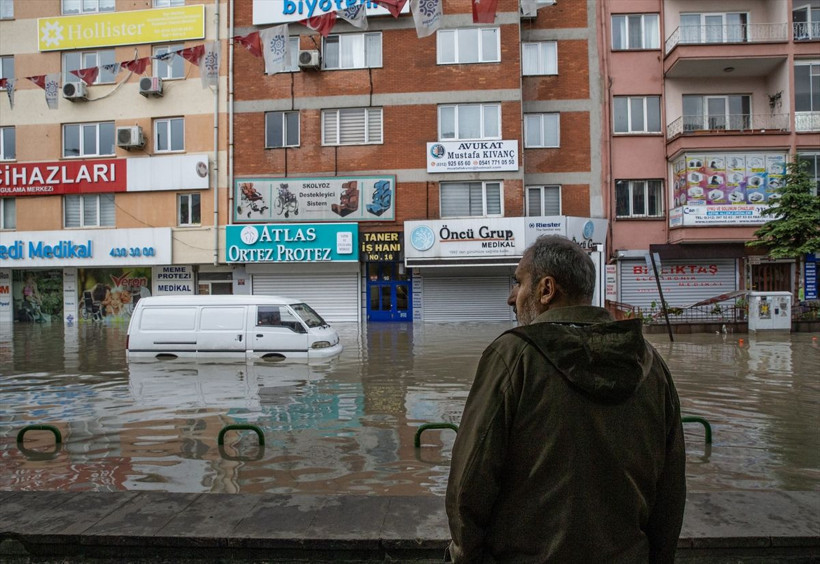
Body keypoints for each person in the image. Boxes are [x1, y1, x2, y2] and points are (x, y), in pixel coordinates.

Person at [446, 235, 686, 563]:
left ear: (546, 289)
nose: (511, 297)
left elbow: (468, 487)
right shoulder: (649, 363)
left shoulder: (513, 356)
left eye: (518, 283)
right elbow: (671, 492)